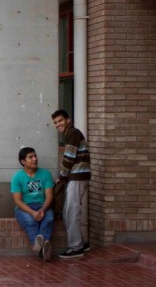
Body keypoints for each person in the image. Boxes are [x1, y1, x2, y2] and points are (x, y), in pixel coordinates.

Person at [52, 109, 91, 259]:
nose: (58, 124)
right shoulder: (70, 133)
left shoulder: (73, 133)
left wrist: (61, 176)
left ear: (68, 120)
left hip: (78, 177)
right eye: (55, 122)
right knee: (69, 210)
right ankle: (82, 243)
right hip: (75, 177)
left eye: (60, 121)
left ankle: (76, 248)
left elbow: (69, 156)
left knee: (71, 211)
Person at [11, 147, 55, 262]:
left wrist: (43, 210)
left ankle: (39, 247)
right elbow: (17, 201)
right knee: (30, 222)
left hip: (43, 205)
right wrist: (32, 212)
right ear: (23, 161)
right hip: (25, 208)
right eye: (30, 157)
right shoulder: (17, 177)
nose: (35, 159)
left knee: (49, 218)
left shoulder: (46, 174)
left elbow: (50, 197)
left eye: (35, 156)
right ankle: (43, 248)